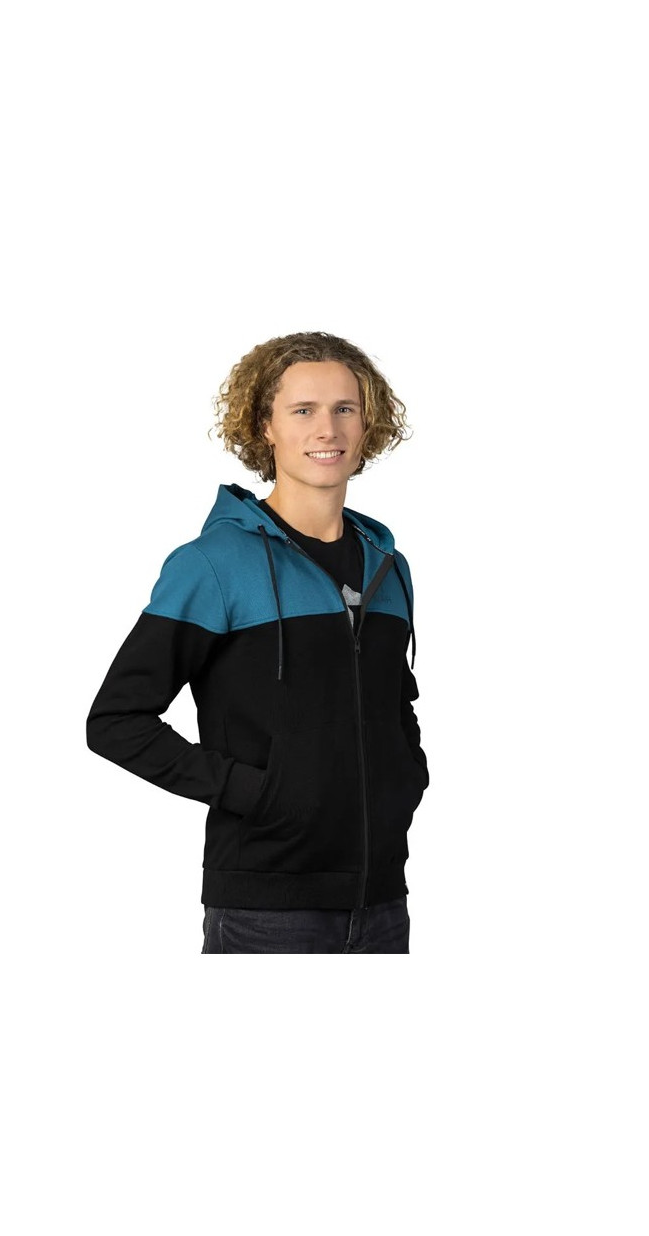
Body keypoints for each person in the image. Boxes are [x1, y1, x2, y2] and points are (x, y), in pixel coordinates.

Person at [86, 331, 428, 953]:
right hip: (266, 910)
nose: (327, 429)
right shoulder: (213, 565)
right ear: (264, 426)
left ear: (367, 424)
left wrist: (407, 778)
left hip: (383, 899)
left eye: (344, 408)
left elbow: (393, 700)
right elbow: (115, 721)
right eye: (303, 410)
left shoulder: (387, 564)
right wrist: (258, 793)